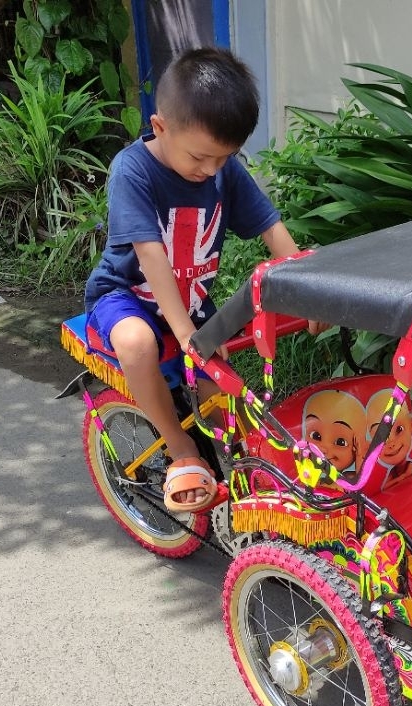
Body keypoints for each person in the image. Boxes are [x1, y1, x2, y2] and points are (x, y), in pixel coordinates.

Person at [84, 47, 319, 513]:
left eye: (224, 157)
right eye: (200, 157)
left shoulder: (222, 168)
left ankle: (251, 481)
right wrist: (189, 332)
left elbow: (271, 228)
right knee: (137, 344)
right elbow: (150, 255)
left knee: (225, 400)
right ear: (160, 127)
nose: (211, 170)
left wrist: (310, 295)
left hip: (190, 302)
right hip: (126, 294)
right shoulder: (133, 171)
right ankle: (180, 447)